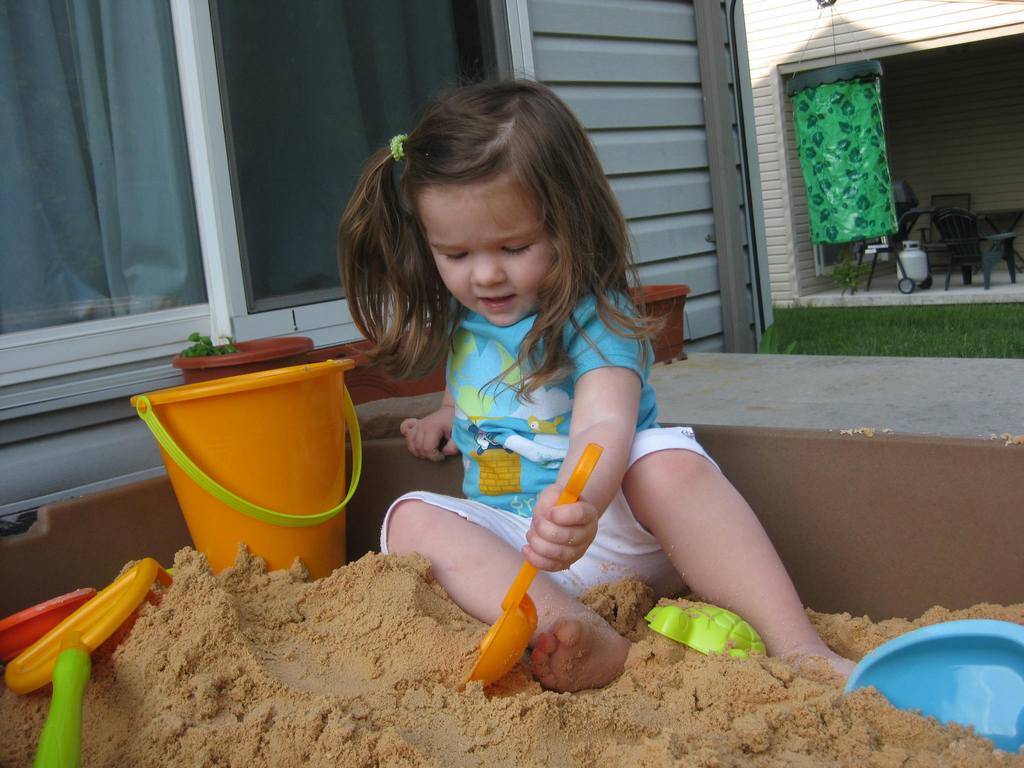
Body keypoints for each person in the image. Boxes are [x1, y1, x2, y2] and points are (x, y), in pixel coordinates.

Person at [338, 79, 853, 692]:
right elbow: (476, 389)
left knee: (662, 462)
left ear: (569, 223)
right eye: (455, 255)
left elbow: (605, 423)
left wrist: (578, 499)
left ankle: (799, 647)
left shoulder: (594, 316)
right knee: (408, 519)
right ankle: (575, 627)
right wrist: (448, 415)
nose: (486, 275)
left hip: (610, 523)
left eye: (514, 247)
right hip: (519, 548)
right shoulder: (467, 319)